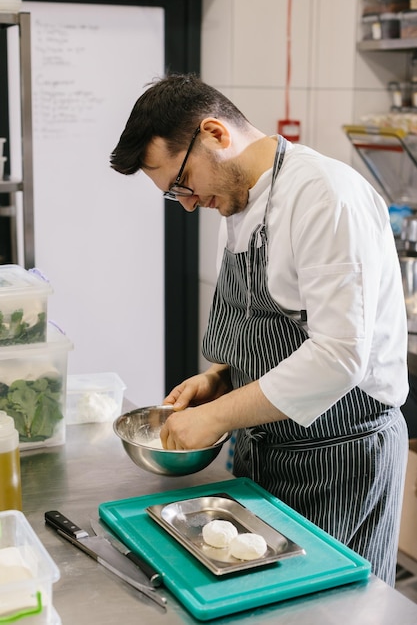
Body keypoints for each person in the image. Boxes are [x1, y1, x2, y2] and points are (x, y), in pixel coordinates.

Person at [110, 73, 409, 586]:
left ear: (215, 134)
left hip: (340, 460)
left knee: (329, 610)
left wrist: (214, 419)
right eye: (171, 194)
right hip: (270, 451)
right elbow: (270, 317)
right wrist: (221, 377)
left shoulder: (325, 197)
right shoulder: (243, 197)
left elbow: (338, 356)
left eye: (182, 183)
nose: (185, 203)